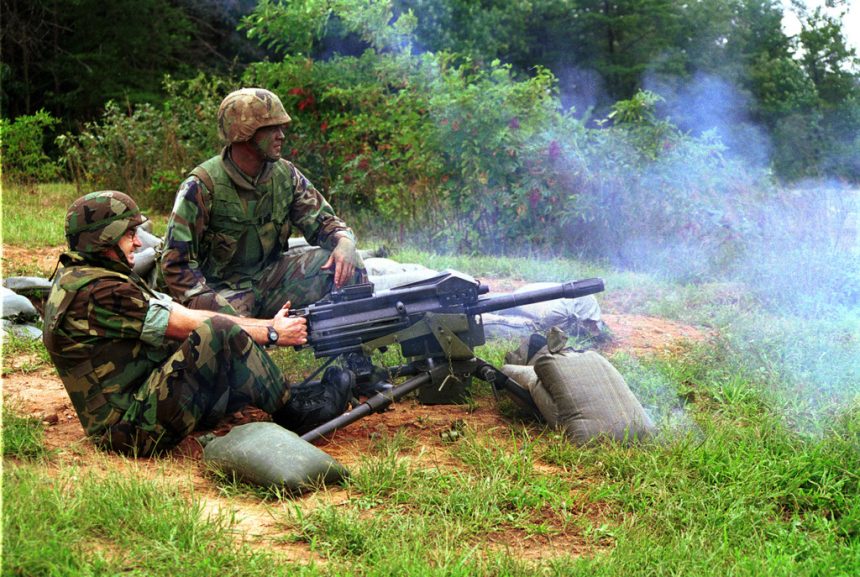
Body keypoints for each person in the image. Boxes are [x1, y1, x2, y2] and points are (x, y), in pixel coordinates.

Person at [43, 191, 347, 456]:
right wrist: (271, 331)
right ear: (103, 239)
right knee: (219, 332)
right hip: (129, 431)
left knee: (210, 334)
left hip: (127, 409)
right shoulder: (100, 291)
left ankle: (284, 394)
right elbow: (185, 323)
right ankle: (295, 411)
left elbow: (170, 313)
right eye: (128, 233)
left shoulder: (81, 278)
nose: (137, 241)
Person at [160, 87, 366, 317]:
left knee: (348, 261)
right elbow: (175, 264)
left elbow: (323, 221)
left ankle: (350, 346)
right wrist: (210, 308)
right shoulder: (201, 186)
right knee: (226, 332)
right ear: (243, 133)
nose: (281, 135)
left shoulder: (285, 175)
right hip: (221, 292)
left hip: (270, 281)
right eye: (271, 129)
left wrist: (344, 240)